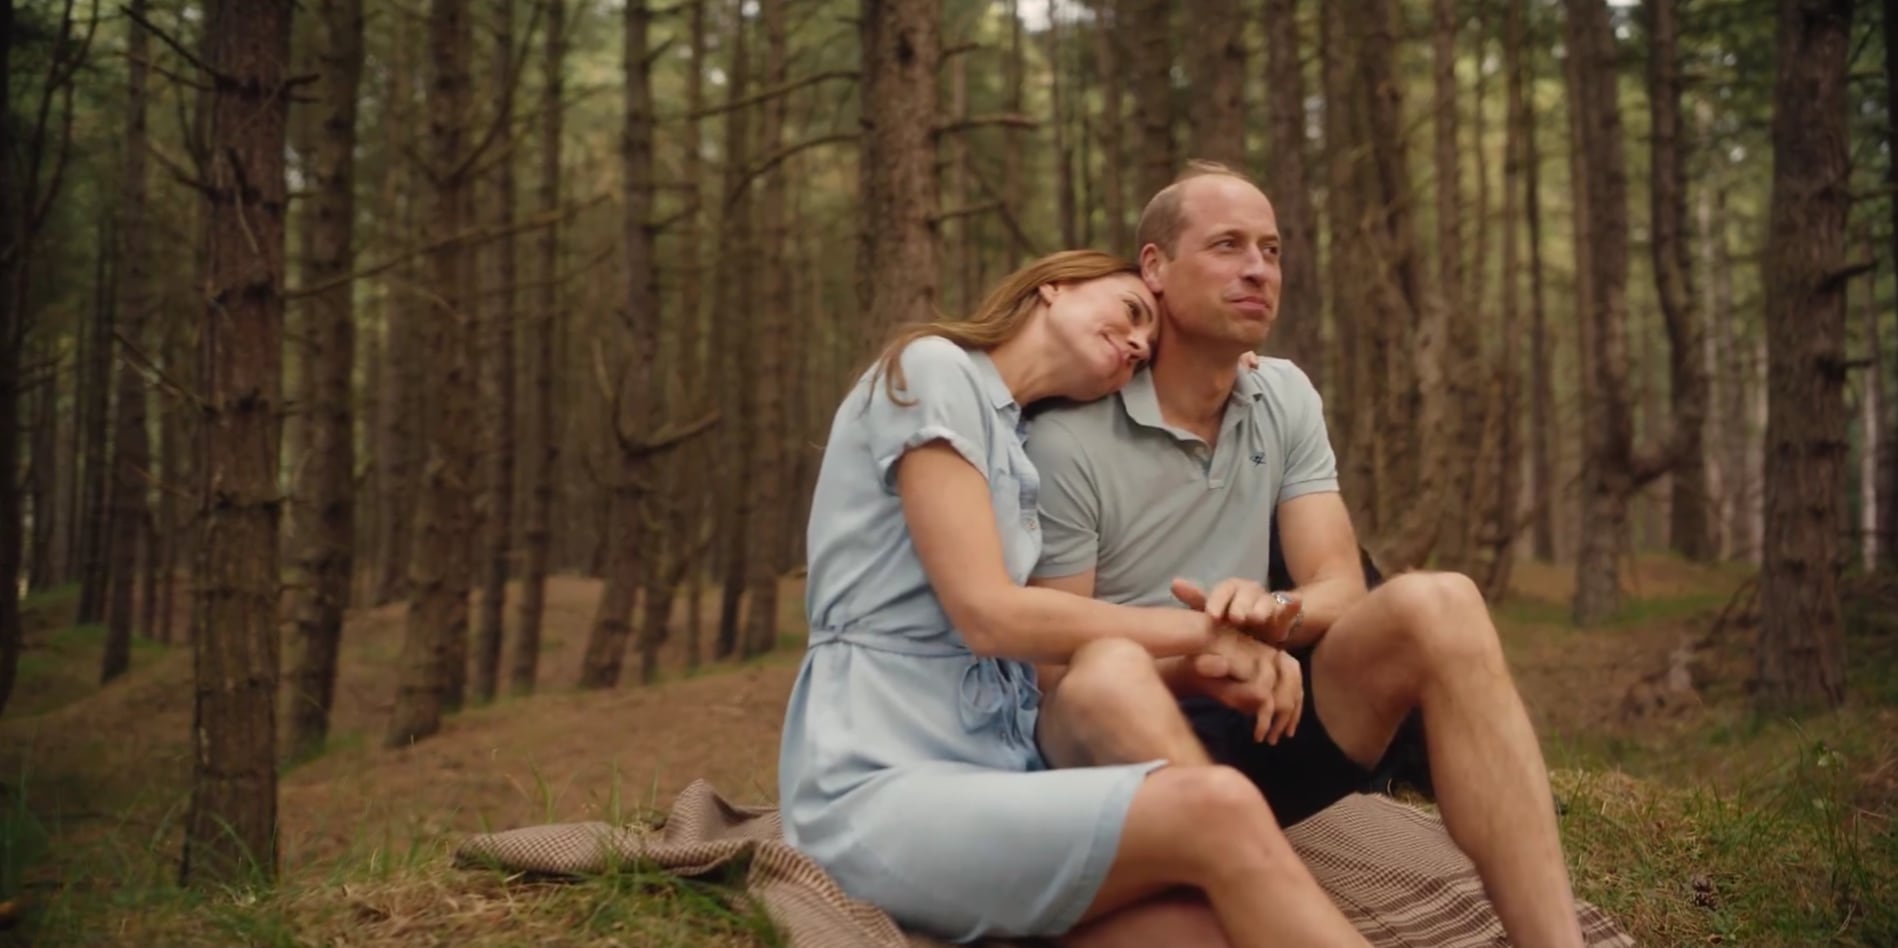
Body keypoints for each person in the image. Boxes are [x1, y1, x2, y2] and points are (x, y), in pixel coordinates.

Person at [1025, 162, 1587, 948]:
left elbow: (1338, 587)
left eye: (1273, 249)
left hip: (1267, 721)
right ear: (1155, 267)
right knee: (1101, 679)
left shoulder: (1283, 394)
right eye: (1227, 245)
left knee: (1442, 600)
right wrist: (1201, 657)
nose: (1259, 268)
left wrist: (1274, 615)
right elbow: (1055, 679)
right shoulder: (1069, 435)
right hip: (1119, 766)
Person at [778, 248, 1374, 946]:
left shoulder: (1020, 443)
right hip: (879, 781)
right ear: (1053, 286)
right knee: (1217, 806)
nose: (1136, 343)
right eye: (1130, 311)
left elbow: (1034, 671)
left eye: (1147, 346)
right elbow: (989, 616)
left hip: (1002, 776)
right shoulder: (934, 370)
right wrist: (1201, 634)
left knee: (1201, 926)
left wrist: (1203, 671)